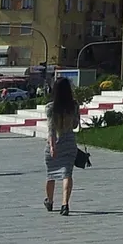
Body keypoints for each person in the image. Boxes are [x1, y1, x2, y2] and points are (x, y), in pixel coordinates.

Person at [43, 77, 81, 215]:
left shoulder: (50, 107)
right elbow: (76, 125)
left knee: (51, 175)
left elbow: (51, 129)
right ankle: (65, 204)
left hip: (55, 143)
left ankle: (50, 201)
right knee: (67, 174)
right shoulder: (74, 106)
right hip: (70, 142)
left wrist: (52, 147)